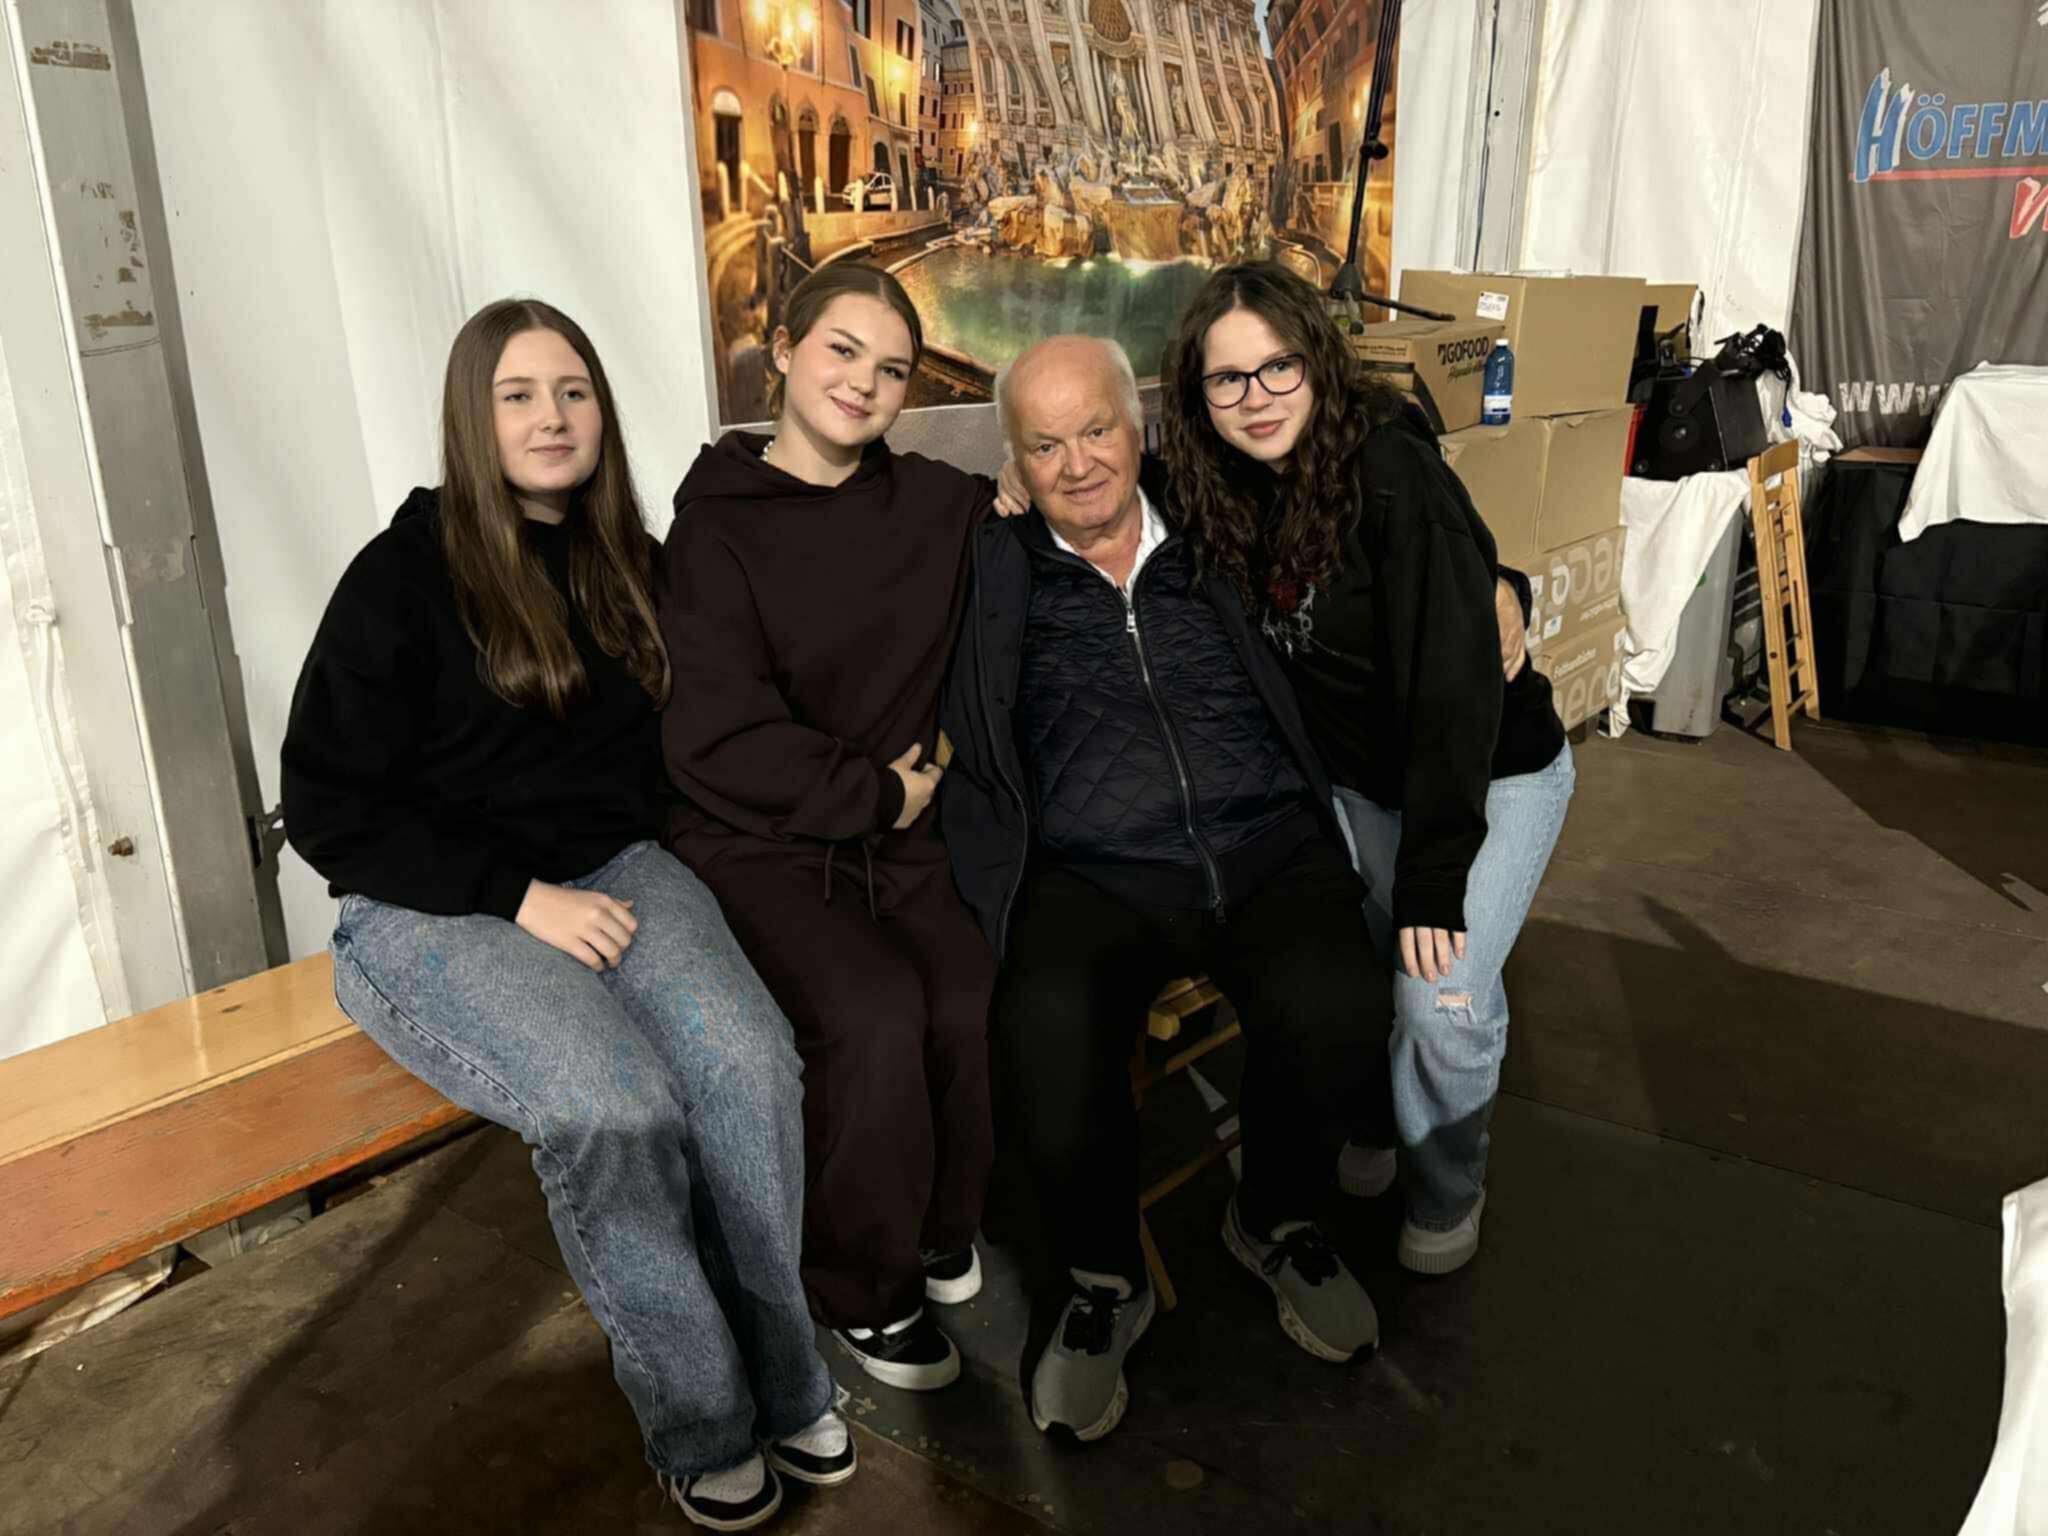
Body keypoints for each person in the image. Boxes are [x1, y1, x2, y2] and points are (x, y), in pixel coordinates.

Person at [281, 299, 848, 1531]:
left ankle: (786, 1376)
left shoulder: (625, 559)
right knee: (612, 1107)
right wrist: (515, 898)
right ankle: (701, 1423)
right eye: (518, 394)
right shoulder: (400, 576)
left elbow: (772, 613)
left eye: (573, 392)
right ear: (471, 418)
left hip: (611, 871)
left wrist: (983, 516)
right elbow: (324, 808)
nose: (551, 417)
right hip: (430, 903)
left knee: (746, 1065)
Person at [946, 335, 1396, 1445]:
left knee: (1339, 998)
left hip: (1262, 837)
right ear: (1013, 459)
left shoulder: (1219, 514)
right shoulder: (990, 556)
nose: (1077, 464)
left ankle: (1274, 1218)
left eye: (1096, 430)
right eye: (1044, 445)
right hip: (1095, 867)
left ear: (1139, 425)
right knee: (1044, 1025)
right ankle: (1103, 1280)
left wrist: (1498, 584)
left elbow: (1373, 479)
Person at [1160, 262, 1576, 1277]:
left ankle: (1446, 1185)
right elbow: (1089, 475)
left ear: (1318, 361)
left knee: (1438, 999)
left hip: (1487, 774)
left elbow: (1451, 693)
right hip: (1354, 790)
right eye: (1227, 379)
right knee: (1358, 971)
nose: (1256, 397)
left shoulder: (1389, 471)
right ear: (1198, 396)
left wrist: (1434, 874)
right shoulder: (1211, 486)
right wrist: (1007, 481)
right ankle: (1380, 1119)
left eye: (1278, 367)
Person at [660, 263, 998, 1393]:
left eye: (891, 370)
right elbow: (716, 736)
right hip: (757, 840)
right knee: (870, 1012)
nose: (863, 383)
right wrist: (875, 796)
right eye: (842, 351)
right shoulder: (714, 532)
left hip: (896, 836)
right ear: (784, 348)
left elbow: (1049, 493)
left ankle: (938, 1224)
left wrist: (1023, 487)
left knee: (965, 985)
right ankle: (862, 1291)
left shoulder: (936, 504)